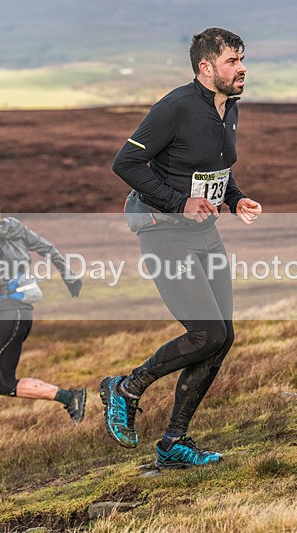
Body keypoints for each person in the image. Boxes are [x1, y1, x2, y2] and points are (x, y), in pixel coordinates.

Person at [102, 28, 262, 468]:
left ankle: (174, 441)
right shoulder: (175, 107)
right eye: (232, 61)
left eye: (242, 58)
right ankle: (126, 388)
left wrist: (234, 199)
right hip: (162, 229)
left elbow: (213, 168)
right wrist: (178, 202)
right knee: (206, 333)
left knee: (221, 338)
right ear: (205, 68)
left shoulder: (228, 107)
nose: (242, 67)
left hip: (203, 231)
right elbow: (125, 163)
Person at [0, 186, 85, 459]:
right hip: (18, 312)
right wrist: (69, 275)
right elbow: (48, 248)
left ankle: (70, 398)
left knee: (4, 383)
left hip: (10, 313)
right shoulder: (14, 227)